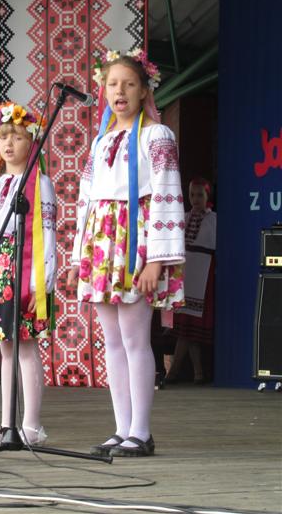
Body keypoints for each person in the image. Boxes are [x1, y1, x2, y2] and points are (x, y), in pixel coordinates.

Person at [68, 48, 185, 457]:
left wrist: (156, 258)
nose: (120, 91)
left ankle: (141, 430)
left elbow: (168, 193)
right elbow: (86, 199)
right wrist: (75, 259)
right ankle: (121, 428)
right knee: (112, 341)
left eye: (129, 84)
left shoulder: (156, 135)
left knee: (136, 340)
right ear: (102, 91)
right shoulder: (100, 142)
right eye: (112, 84)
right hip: (102, 243)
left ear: (143, 91)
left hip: (135, 238)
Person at [0, 103, 56, 446]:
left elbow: (46, 233)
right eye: (3, 137)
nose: (8, 144)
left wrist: (40, 282)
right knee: (4, 348)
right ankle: (6, 425)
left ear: (30, 142)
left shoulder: (40, 184)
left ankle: (31, 425)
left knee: (26, 347)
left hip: (24, 267)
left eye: (17, 137)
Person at [165, 177, 216, 384]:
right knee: (186, 327)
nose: (195, 199)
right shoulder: (183, 217)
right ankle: (197, 373)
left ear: (207, 196)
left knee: (189, 326)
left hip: (202, 272)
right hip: (185, 272)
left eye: (200, 195)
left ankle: (175, 372)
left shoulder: (213, 219)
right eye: (192, 195)